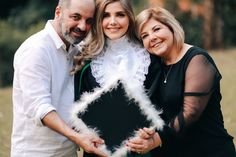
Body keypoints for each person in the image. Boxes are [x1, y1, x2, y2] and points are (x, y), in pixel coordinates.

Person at [127, 6, 236, 157]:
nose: (151, 37)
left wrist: (156, 139)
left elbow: (190, 113)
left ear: (171, 27)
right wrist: (148, 131)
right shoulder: (155, 65)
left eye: (156, 29)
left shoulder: (197, 60)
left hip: (209, 150)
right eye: (144, 35)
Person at [11, 0, 108, 156]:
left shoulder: (76, 48)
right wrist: (77, 138)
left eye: (89, 20)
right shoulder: (36, 50)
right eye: (76, 17)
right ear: (58, 12)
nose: (82, 26)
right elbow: (40, 107)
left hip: (68, 152)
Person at [71, 0, 164, 156]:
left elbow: (162, 105)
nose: (112, 22)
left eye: (120, 15)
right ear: (98, 20)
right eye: (106, 16)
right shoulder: (87, 62)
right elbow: (79, 108)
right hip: (99, 151)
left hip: (142, 149)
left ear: (129, 18)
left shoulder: (150, 59)